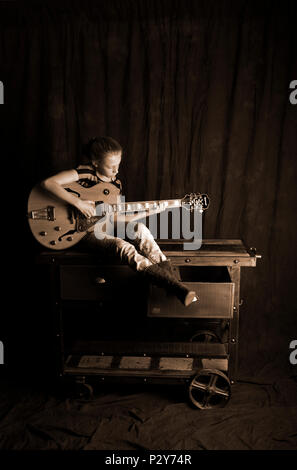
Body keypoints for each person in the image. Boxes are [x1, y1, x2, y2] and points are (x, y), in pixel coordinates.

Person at [41, 136, 198, 307]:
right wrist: (78, 203)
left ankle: (175, 286)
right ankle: (175, 286)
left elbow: (116, 218)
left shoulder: (115, 185)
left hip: (102, 227)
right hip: (80, 232)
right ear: (95, 163)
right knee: (123, 247)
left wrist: (150, 211)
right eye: (111, 166)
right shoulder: (84, 173)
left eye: (118, 165)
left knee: (141, 229)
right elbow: (49, 183)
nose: (116, 170)